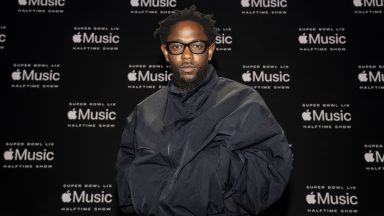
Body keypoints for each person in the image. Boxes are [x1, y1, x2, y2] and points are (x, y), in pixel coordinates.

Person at [115, 5, 293, 216]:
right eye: (177, 47)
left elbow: (272, 168)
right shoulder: (144, 112)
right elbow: (125, 181)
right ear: (166, 52)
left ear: (210, 50)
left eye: (196, 45)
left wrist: (216, 170)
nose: (187, 55)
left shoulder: (242, 102)